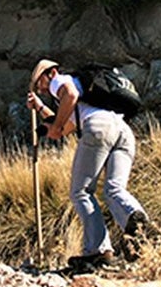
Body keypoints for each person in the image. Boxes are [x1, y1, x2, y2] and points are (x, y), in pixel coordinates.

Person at [26, 58, 151, 269]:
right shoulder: (87, 97)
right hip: (123, 132)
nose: (42, 89)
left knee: (80, 192)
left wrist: (54, 126)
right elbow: (63, 128)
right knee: (114, 189)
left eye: (40, 82)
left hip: (99, 128)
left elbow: (69, 97)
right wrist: (41, 110)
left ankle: (98, 251)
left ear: (51, 73)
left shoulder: (61, 81)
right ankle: (136, 221)